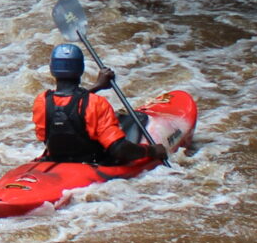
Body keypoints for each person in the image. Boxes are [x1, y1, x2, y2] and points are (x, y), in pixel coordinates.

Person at [34, 44, 163, 168]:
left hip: (56, 162)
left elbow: (68, 105)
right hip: (91, 165)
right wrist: (151, 151)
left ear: (52, 69)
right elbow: (119, 149)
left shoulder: (42, 101)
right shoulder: (96, 103)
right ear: (81, 69)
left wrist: (97, 86)